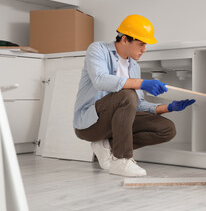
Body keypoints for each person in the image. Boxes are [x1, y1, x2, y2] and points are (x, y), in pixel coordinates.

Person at [73, 14, 195, 177]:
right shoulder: (97, 49)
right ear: (124, 39)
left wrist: (167, 107)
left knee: (167, 129)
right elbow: (100, 80)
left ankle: (107, 146)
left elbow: (137, 105)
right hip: (90, 124)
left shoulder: (134, 66)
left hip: (115, 122)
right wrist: (141, 83)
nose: (144, 49)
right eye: (141, 44)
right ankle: (121, 160)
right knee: (127, 94)